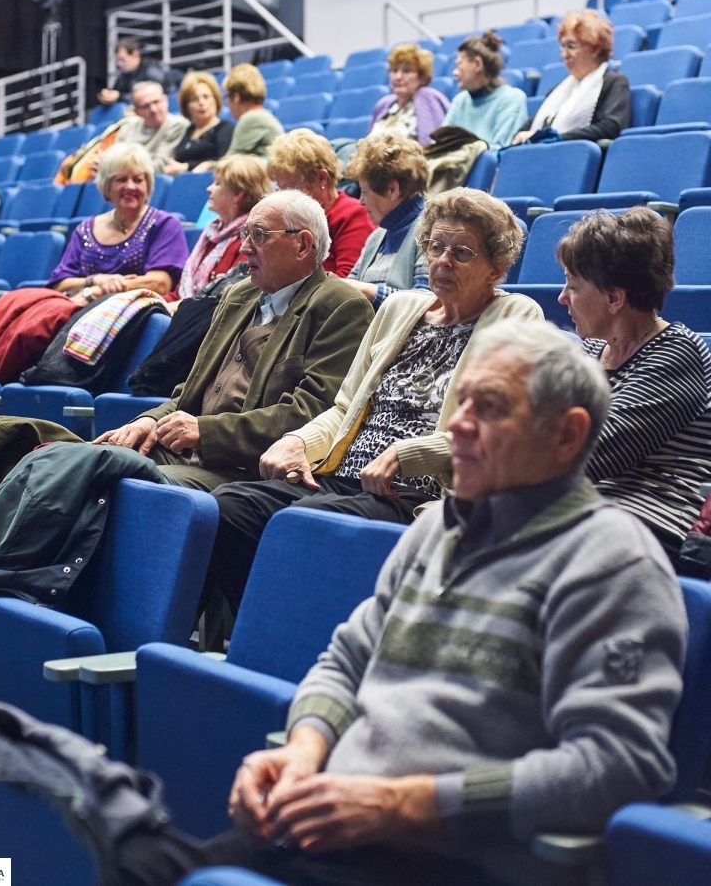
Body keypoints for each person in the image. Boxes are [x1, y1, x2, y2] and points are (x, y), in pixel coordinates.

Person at [170, 321, 686, 886]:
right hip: (328, 824)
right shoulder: (436, 527)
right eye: (461, 401)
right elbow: (346, 660)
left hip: (447, 861)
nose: (455, 425)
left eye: (488, 408)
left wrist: (403, 805)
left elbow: (616, 766)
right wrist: (303, 749)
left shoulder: (613, 562)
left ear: (567, 434)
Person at [207, 188, 544, 612]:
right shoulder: (400, 307)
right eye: (435, 247)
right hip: (341, 475)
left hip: (414, 491)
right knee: (228, 507)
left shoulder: (516, 316)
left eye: (461, 253)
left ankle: (289, 632)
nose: (442, 261)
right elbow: (345, 406)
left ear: (496, 267)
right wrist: (298, 441)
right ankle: (272, 627)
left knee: (307, 522)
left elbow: (499, 430)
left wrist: (408, 454)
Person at [93, 190, 374, 491]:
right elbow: (191, 392)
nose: (244, 248)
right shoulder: (239, 295)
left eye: (259, 235)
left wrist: (206, 432)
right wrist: (152, 420)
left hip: (248, 470)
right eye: (245, 234)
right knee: (89, 459)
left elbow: (312, 412)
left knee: (117, 482)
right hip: (187, 452)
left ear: (303, 245)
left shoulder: (341, 306)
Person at [557, 206, 711, 562]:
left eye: (574, 286)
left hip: (647, 523)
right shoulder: (592, 351)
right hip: (583, 512)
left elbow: (587, 455)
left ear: (614, 298)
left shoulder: (678, 353)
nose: (562, 297)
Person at [48, 144, 188, 300]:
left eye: (138, 180)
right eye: (121, 179)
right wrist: (94, 280)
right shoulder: (85, 228)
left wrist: (97, 291)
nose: (130, 186)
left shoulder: (165, 224)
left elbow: (160, 284)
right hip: (81, 308)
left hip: (137, 309)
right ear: (107, 185)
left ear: (148, 185)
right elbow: (59, 284)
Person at [268, 129, 375, 278]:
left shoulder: (352, 214)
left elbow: (348, 279)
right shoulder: (292, 220)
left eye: (290, 188)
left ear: (322, 178)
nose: (283, 196)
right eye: (280, 189)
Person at [513, 9, 631, 144]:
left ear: (595, 49)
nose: (565, 54)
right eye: (562, 47)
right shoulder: (558, 89)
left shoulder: (614, 82)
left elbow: (611, 127)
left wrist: (554, 138)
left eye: (571, 46)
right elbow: (525, 130)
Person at [344, 133, 430, 309]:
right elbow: (347, 289)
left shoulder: (432, 230)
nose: (360, 201)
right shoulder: (377, 237)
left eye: (365, 192)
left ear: (392, 189)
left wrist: (368, 291)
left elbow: (427, 303)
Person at [176, 154, 273, 300]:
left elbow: (230, 298)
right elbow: (179, 292)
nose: (209, 189)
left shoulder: (251, 241)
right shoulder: (211, 235)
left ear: (237, 194)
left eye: (217, 184)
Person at [54, 81, 188, 184]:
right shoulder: (127, 128)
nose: (153, 109)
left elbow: (159, 167)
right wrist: (104, 167)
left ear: (165, 100)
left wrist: (111, 169)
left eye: (156, 102)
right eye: (146, 106)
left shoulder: (177, 125)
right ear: (136, 111)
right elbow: (112, 161)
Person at [443, 30, 528, 148]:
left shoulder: (511, 99)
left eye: (459, 65)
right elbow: (440, 144)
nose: (455, 72)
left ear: (477, 64)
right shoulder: (460, 101)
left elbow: (502, 149)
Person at [368, 44, 450, 146]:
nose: (398, 77)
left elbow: (433, 144)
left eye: (406, 71)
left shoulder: (427, 97)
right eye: (394, 70)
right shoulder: (384, 104)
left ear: (423, 78)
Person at [163, 72, 234, 176]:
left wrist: (186, 167)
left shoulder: (225, 128)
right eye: (194, 99)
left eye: (206, 97)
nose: (201, 103)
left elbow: (223, 161)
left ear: (215, 99)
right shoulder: (188, 131)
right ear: (186, 106)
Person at [225, 64, 284, 157]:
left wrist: (208, 163)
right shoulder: (263, 115)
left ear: (236, 97)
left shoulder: (251, 118)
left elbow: (230, 161)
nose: (227, 103)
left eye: (227, 96)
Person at [95, 36, 174, 106]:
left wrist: (119, 97)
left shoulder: (152, 71)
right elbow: (117, 91)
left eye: (122, 59)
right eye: (117, 60)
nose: (119, 64)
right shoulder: (125, 75)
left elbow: (150, 98)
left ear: (135, 54)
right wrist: (107, 95)